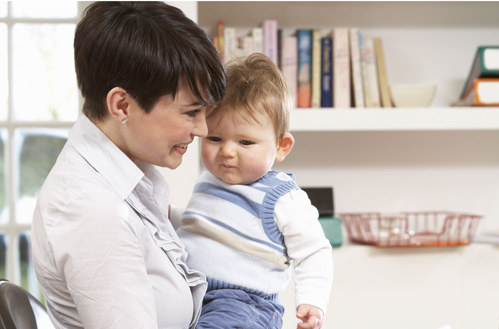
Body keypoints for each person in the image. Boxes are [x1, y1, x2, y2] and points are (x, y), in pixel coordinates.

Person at [30, 2, 226, 328]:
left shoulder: (124, 177)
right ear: (122, 105)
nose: (203, 130)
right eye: (191, 112)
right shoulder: (93, 212)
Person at [175, 53, 333, 329]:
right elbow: (204, 227)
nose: (226, 150)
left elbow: (314, 251)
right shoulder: (209, 179)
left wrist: (312, 300)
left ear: (282, 146)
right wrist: (166, 215)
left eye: (245, 142)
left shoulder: (282, 197)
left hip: (245, 304)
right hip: (194, 293)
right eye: (214, 138)